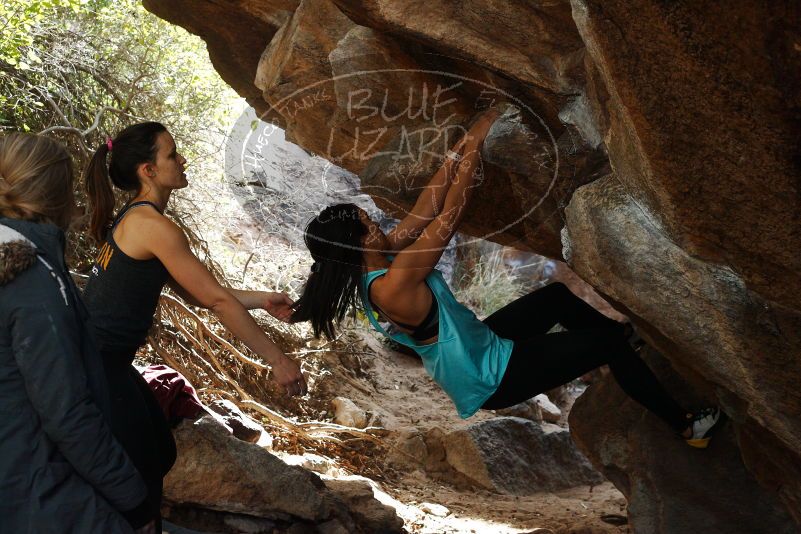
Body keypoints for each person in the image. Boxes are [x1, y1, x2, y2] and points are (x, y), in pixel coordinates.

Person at [291, 108, 721, 448]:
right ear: (358, 243)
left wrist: (461, 146)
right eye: (370, 224)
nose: (380, 226)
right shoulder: (392, 283)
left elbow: (425, 207)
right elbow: (448, 216)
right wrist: (476, 149)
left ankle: (618, 343)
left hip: (479, 346)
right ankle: (685, 426)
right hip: (492, 377)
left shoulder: (379, 258)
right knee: (610, 344)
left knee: (555, 298)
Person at [82, 122, 307, 530]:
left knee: (159, 450)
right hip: (99, 366)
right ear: (147, 171)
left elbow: (200, 292)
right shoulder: (154, 226)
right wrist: (277, 359)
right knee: (141, 471)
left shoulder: (137, 218)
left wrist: (261, 300)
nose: (182, 159)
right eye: (172, 154)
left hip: (104, 362)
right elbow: (216, 301)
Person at [0, 133, 155, 533]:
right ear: (60, 195)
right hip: (34, 489)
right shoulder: (31, 278)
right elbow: (66, 412)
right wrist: (134, 502)